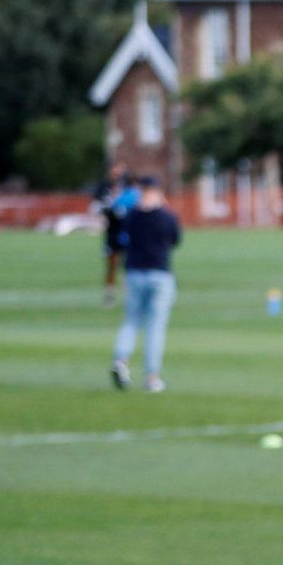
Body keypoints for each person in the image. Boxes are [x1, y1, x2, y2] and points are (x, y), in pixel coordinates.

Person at [110, 177, 180, 393]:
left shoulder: (131, 216)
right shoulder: (167, 217)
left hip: (134, 273)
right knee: (155, 327)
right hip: (160, 273)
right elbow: (175, 239)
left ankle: (121, 359)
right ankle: (151, 376)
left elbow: (120, 239)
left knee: (131, 322)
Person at [92, 162, 137, 307]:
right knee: (112, 264)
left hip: (130, 232)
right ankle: (109, 295)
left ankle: (131, 296)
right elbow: (97, 206)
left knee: (131, 265)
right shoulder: (105, 188)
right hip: (113, 231)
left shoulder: (130, 189)